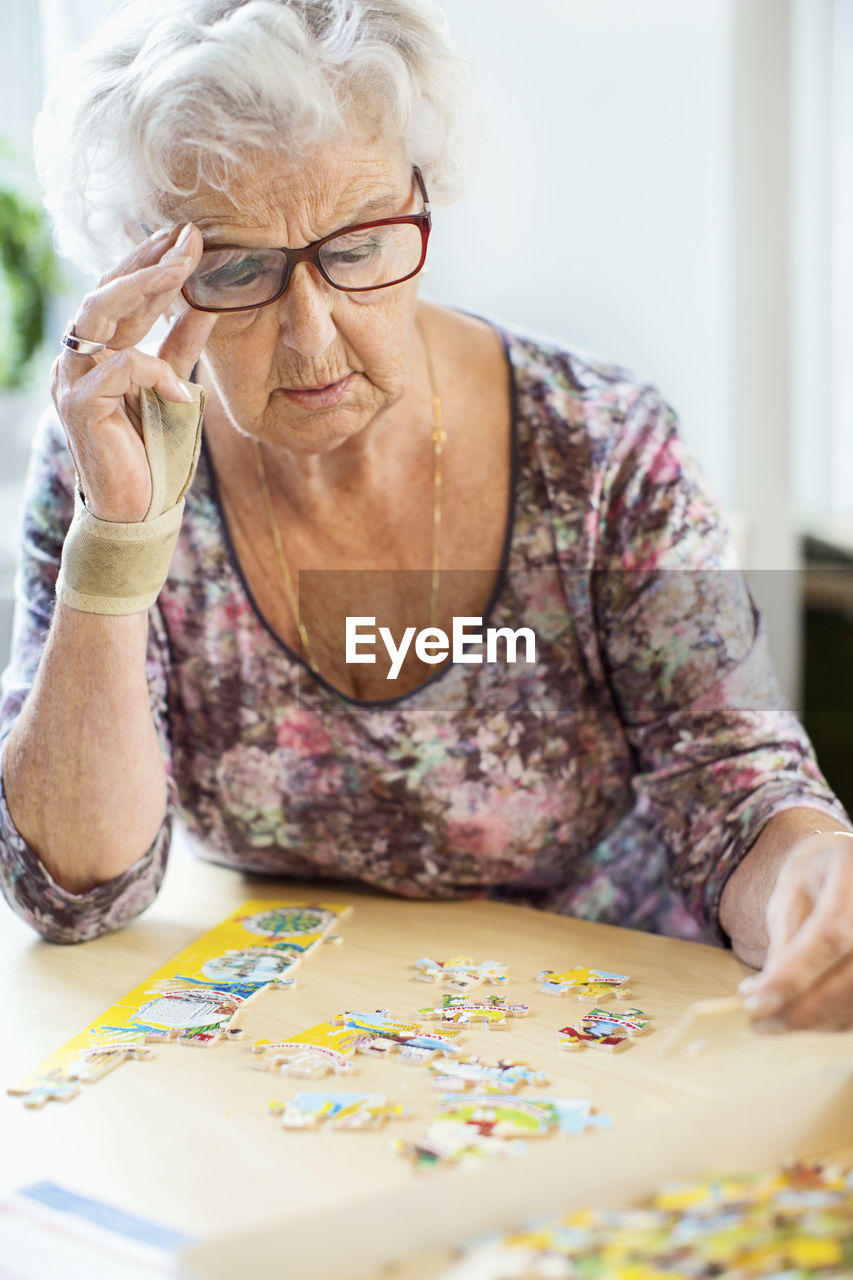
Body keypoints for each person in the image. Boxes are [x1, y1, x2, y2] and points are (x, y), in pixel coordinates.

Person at [0, 0, 850, 1034]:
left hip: (604, 1031)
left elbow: (738, 788)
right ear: (141, 275)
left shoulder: (602, 441)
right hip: (290, 1036)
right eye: (234, 268)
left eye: (356, 247)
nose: (310, 337)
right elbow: (76, 889)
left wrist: (816, 879)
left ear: (424, 204)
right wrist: (122, 539)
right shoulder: (114, 451)